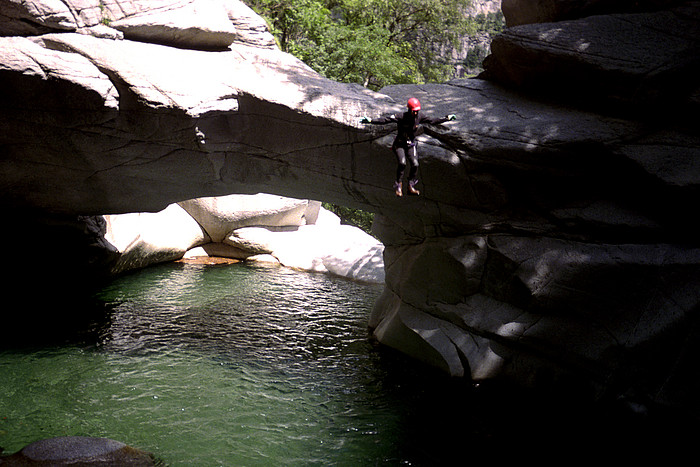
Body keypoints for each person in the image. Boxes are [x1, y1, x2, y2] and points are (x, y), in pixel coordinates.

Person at [361, 97, 456, 196]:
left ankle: (411, 186)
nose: (415, 113)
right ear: (409, 109)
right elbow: (386, 120)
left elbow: (432, 121)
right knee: (402, 163)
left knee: (415, 164)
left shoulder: (420, 116)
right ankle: (398, 186)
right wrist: (371, 120)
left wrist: (447, 118)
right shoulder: (401, 116)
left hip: (410, 144)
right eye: (414, 111)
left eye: (417, 111)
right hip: (399, 144)